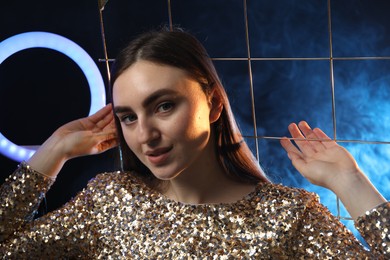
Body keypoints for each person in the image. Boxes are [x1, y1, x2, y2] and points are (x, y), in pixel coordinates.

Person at [0, 27, 388, 259]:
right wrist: (53, 151)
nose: (145, 135)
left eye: (164, 106)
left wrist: (350, 183)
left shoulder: (287, 216)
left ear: (214, 103)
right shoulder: (110, 201)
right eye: (128, 117)